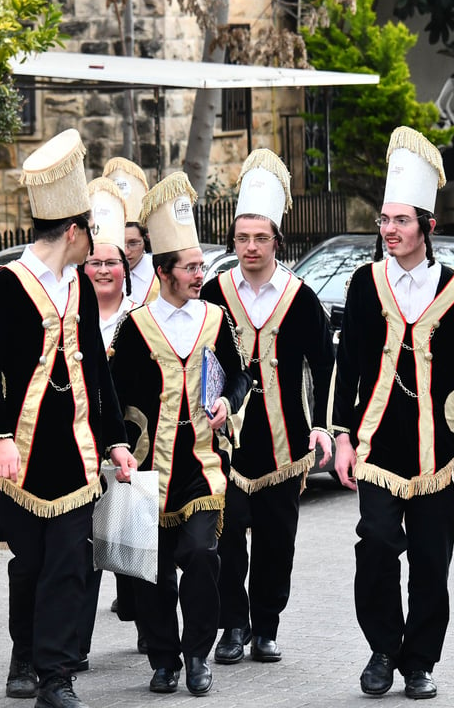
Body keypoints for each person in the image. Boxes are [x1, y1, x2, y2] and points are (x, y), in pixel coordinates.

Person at [0, 129, 135, 708]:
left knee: (69, 565)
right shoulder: (5, 285)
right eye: (89, 234)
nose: (94, 248)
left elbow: (96, 368)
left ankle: (56, 677)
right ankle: (22, 653)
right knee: (30, 565)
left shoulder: (77, 282)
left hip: (75, 454)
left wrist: (116, 441)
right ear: (72, 232)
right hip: (18, 455)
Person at [332, 126, 454, 701]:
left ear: (426, 226)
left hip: (440, 455)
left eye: (401, 221)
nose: (390, 230)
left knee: (431, 563)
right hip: (376, 447)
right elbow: (347, 365)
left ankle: (419, 662)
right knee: (375, 546)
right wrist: (341, 436)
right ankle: (382, 649)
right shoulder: (363, 283)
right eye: (384, 220)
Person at [109, 172, 250, 697]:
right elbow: (114, 396)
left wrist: (227, 402)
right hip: (148, 468)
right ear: (165, 272)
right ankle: (163, 659)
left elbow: (240, 376)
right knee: (152, 571)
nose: (201, 275)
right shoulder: (135, 325)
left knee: (200, 557)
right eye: (192, 268)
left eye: (200, 267)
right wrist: (118, 446)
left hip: (204, 465)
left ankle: (197, 654)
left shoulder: (215, 318)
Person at [199, 149, 336, 668]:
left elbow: (326, 366)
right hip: (225, 442)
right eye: (242, 238)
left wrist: (323, 426)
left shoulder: (301, 297)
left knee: (278, 540)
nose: (251, 247)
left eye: (260, 238)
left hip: (286, 440)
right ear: (233, 242)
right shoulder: (214, 292)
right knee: (227, 536)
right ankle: (232, 624)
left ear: (277, 241)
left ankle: (267, 627)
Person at [81, 176, 147, 655]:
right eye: (95, 262)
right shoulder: (71, 318)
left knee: (135, 540)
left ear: (126, 269)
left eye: (112, 262)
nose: (103, 270)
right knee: (82, 550)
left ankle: (150, 630)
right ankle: (75, 643)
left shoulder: (142, 317)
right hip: (81, 444)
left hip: (133, 444)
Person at [104, 157, 160, 302]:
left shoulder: (160, 274)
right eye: (120, 244)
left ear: (145, 239)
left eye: (133, 243)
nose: (126, 252)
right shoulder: (100, 273)